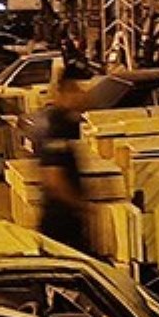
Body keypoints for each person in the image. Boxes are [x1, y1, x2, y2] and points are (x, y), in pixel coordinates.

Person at [34, 75, 94, 255]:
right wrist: (80, 205)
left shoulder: (68, 122)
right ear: (61, 95)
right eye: (74, 92)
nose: (81, 96)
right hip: (60, 217)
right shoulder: (57, 127)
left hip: (66, 216)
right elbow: (54, 178)